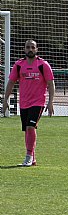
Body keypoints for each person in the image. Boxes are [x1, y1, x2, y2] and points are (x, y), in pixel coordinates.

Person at [2, 39, 55, 167]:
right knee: (27, 130)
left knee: (31, 127)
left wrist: (50, 101)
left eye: (33, 47)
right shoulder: (19, 65)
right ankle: (33, 159)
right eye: (28, 47)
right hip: (24, 102)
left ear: (37, 50)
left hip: (38, 102)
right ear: (24, 49)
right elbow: (11, 82)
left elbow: (50, 83)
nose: (30, 49)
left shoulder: (43, 65)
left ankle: (28, 156)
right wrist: (5, 100)